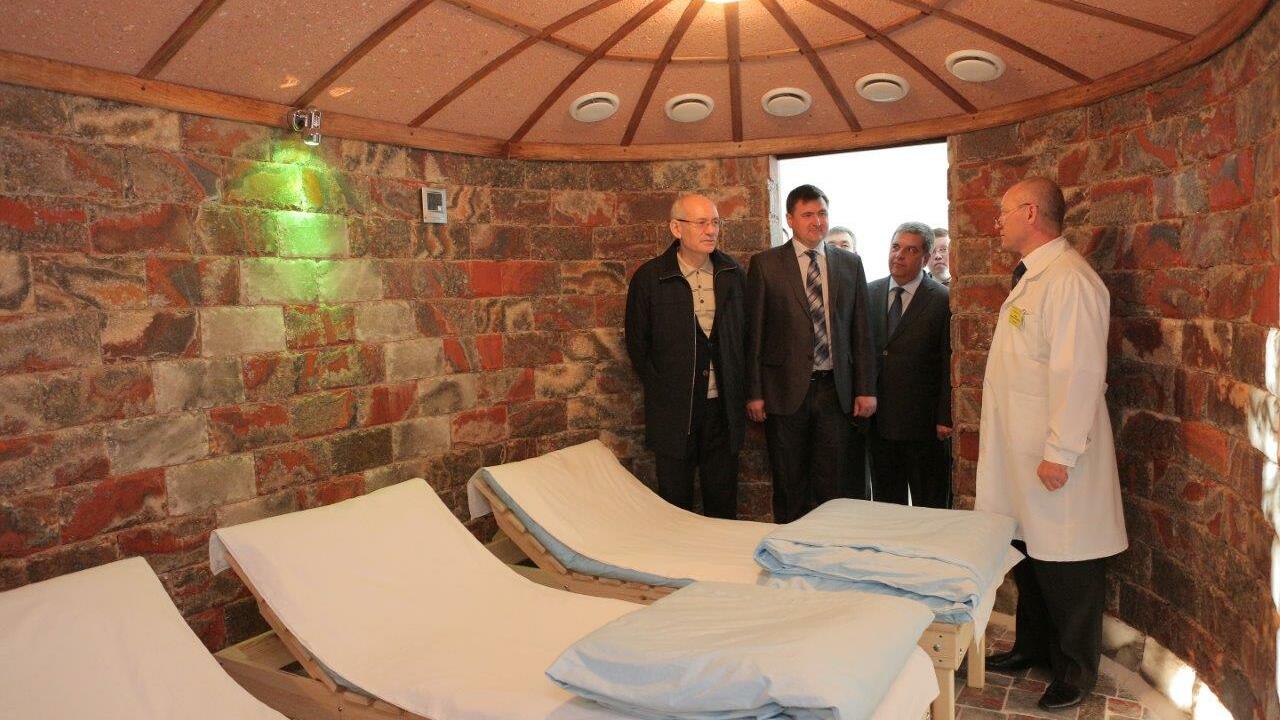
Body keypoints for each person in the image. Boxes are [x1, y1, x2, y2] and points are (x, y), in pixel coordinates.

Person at [977, 178, 1128, 710]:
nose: (997, 223)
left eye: (1003, 212)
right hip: (1022, 454)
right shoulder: (1033, 277)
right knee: (1030, 555)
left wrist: (1060, 453)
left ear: (1030, 212)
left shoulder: (1070, 280)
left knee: (1068, 564)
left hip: (1055, 457)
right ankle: (1033, 647)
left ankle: (1075, 671)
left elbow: (1078, 373)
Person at [745, 184, 876, 523]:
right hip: (784, 391)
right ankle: (788, 546)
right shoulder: (765, 264)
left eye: (822, 213)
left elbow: (861, 331)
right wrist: (754, 393)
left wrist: (866, 388)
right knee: (789, 481)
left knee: (833, 481)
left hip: (835, 389)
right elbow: (754, 333)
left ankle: (830, 543)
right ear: (790, 219)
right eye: (807, 215)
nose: (817, 221)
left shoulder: (850, 264)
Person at [625, 193, 747, 519]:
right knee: (675, 507)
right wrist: (664, 389)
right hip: (674, 414)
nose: (711, 230)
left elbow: (745, 338)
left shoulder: (732, 273)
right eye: (702, 223)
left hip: (722, 411)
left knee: (723, 505)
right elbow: (638, 345)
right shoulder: (650, 278)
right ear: (676, 228)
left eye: (716, 222)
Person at [865, 222, 952, 508]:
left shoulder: (942, 300)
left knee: (930, 505)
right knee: (887, 507)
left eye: (910, 250)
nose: (899, 255)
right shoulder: (869, 293)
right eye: (895, 247)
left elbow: (947, 361)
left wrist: (945, 416)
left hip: (924, 425)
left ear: (925, 258)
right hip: (879, 423)